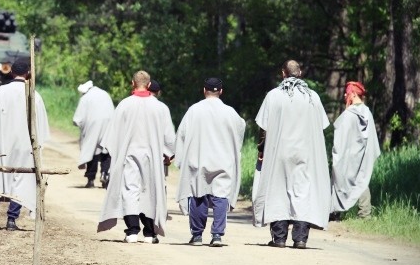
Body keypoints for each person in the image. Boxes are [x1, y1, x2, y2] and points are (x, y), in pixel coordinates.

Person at [253, 59, 331, 249]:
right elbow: (322, 126)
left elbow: (263, 127)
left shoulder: (274, 96)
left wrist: (261, 149)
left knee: (278, 192)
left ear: (283, 73)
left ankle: (279, 238)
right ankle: (300, 238)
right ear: (300, 73)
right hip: (304, 153)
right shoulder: (313, 97)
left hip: (279, 152)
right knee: (302, 193)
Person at [0, 59, 49, 231]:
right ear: (28, 73)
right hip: (25, 146)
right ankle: (12, 220)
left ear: (11, 72)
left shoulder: (1, 92)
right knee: (22, 179)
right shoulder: (34, 95)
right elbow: (41, 126)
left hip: (1, 145)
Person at [97, 70, 176, 243]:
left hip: (129, 154)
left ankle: (132, 231)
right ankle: (149, 233)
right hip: (152, 156)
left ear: (132, 83)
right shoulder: (160, 107)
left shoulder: (124, 104)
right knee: (150, 191)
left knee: (130, 190)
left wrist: (115, 154)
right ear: (149, 85)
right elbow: (169, 137)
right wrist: (168, 155)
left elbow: (112, 135)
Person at [174, 77, 246, 247]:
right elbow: (240, 128)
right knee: (221, 195)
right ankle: (217, 235)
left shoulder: (194, 110)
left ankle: (197, 235)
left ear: (204, 90)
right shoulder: (230, 112)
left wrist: (180, 157)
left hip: (199, 158)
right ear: (221, 91)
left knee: (199, 193)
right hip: (223, 159)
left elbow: (182, 133)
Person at [331, 81, 380, 219]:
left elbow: (341, 138)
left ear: (353, 94)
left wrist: (337, 155)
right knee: (362, 180)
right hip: (363, 154)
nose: (345, 95)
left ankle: (334, 212)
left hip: (348, 155)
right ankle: (365, 214)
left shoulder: (348, 115)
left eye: (347, 93)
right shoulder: (367, 113)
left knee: (339, 179)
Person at [73, 80, 114, 188]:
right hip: (109, 124)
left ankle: (90, 179)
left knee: (92, 150)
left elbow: (77, 119)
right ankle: (105, 174)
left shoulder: (85, 98)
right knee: (106, 150)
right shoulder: (105, 94)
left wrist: (77, 123)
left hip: (93, 125)